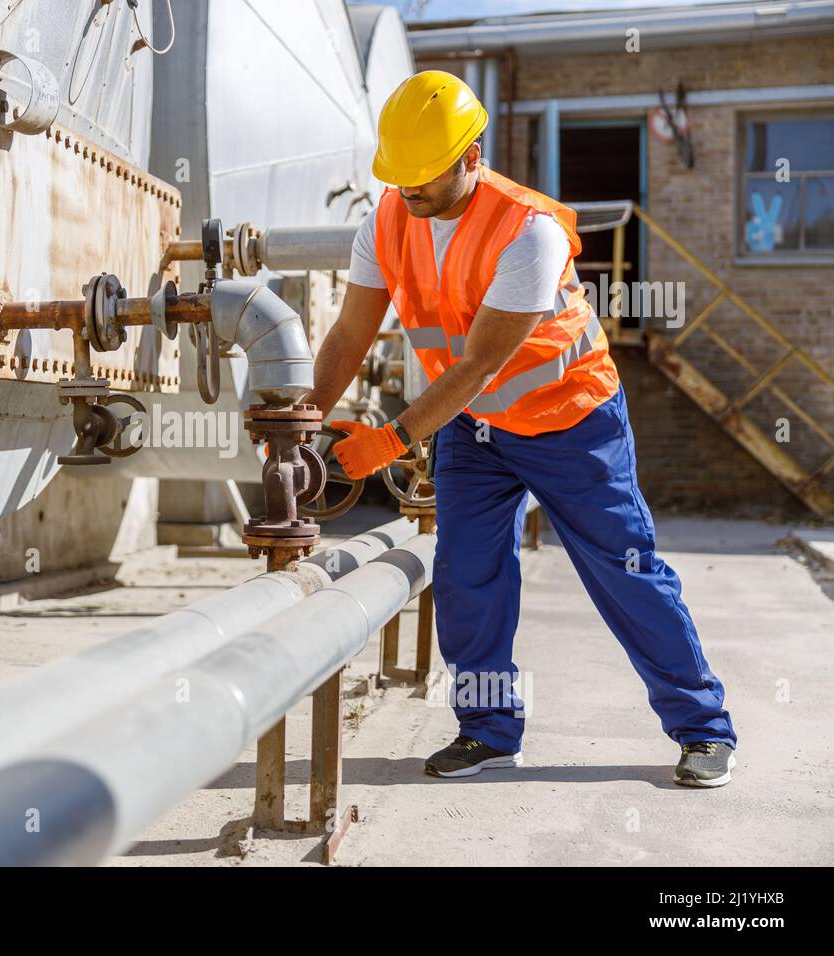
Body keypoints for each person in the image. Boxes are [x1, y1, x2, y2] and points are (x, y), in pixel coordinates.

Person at [304, 70, 737, 787]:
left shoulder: (527, 230)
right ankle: (488, 732)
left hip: (574, 423)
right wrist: (304, 418)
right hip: (476, 431)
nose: (408, 192)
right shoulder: (383, 221)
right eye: (399, 177)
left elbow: (477, 365)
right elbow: (351, 333)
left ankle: (702, 727)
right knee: (468, 577)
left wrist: (393, 438)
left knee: (625, 574)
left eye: (424, 177)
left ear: (472, 157)